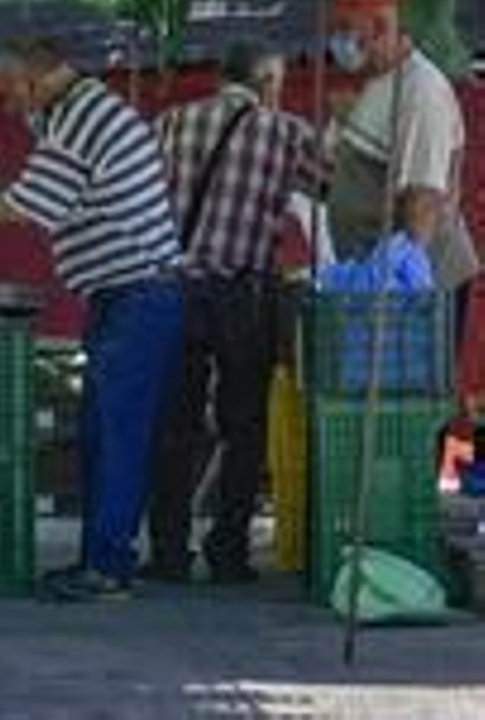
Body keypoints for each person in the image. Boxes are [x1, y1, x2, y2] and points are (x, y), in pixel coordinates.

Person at [0, 37, 184, 602]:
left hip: (139, 293)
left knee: (115, 434)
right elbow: (48, 190)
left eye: (10, 94)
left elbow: (29, 207)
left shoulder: (81, 120)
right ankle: (101, 561)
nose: (8, 108)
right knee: (105, 431)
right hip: (125, 294)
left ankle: (106, 569)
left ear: (35, 79)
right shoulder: (74, 113)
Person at [145, 42, 323, 584]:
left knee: (174, 425)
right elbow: (334, 186)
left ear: (223, 76)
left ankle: (169, 552)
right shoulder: (287, 132)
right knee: (243, 426)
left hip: (175, 287)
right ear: (266, 79)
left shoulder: (171, 123)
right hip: (243, 294)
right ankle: (228, 551)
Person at [325, 0, 479, 313]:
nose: (337, 42)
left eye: (345, 30)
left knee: (418, 365)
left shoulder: (420, 92)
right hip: (372, 280)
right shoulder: (376, 78)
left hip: (418, 290)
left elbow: (424, 199)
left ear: (381, 28)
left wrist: (405, 295)